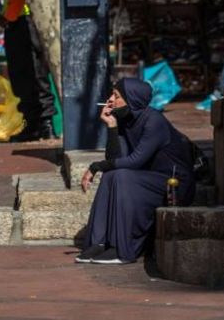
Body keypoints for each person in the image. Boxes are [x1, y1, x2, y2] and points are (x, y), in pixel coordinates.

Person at [77, 78, 196, 265]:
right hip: (147, 179)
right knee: (111, 175)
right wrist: (112, 126)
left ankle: (122, 249)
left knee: (122, 176)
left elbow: (135, 161)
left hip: (173, 184)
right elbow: (116, 158)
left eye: (115, 96)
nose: (109, 100)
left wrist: (95, 167)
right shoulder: (125, 120)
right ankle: (98, 242)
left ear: (131, 99)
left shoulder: (154, 121)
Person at [2, 0, 62, 141]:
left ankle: (46, 123)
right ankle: (31, 121)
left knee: (38, 73)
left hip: (33, 19)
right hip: (15, 19)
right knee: (20, 74)